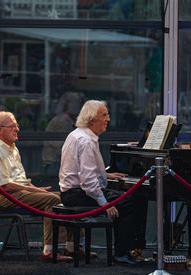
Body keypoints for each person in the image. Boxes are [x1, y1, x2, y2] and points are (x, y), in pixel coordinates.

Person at [59, 100, 147, 265]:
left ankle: (128, 248)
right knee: (128, 202)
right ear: (92, 119)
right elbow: (88, 181)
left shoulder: (77, 134)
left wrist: (105, 175)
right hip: (77, 194)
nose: (108, 119)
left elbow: (83, 171)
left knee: (126, 199)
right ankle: (121, 253)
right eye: (104, 115)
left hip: (71, 193)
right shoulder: (86, 141)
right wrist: (104, 203)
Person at [0, 111, 73, 262]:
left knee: (67, 196)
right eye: (12, 126)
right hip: (3, 197)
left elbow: (21, 180)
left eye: (17, 125)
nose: (17, 129)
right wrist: (35, 190)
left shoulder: (13, 149)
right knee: (51, 200)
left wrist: (35, 189)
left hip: (18, 192)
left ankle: (72, 247)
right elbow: (4, 186)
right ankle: (50, 251)